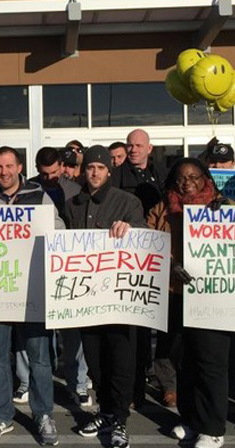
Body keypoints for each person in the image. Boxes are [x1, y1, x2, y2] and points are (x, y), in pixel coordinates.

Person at [0, 147, 63, 445]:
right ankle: (1, 414)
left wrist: (50, 230)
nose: (3, 172)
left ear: (19, 166)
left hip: (32, 290)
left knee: (39, 358)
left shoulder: (39, 195)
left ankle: (43, 414)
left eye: (9, 165)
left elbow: (59, 229)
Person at [148, 158, 233, 448]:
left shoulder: (224, 206)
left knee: (211, 363)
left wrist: (227, 214)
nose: (187, 183)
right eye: (181, 178)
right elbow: (149, 242)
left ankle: (213, 427)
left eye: (194, 177)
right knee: (183, 361)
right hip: (175, 295)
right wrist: (169, 265)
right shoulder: (161, 209)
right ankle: (191, 419)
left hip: (212, 297)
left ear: (206, 180)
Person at [66, 146, 145, 448]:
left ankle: (121, 421)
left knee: (121, 361)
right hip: (87, 298)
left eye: (100, 168)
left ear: (109, 170)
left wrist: (132, 229)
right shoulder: (73, 203)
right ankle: (106, 411)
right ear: (83, 171)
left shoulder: (127, 201)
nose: (95, 173)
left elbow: (145, 237)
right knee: (95, 362)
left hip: (120, 298)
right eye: (90, 168)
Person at [29, 148, 90, 406]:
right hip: (36, 264)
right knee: (37, 329)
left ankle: (80, 382)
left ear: (62, 167)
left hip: (69, 264)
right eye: (44, 174)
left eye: (54, 172)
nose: (50, 177)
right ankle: (28, 381)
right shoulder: (30, 189)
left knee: (73, 330)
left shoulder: (75, 190)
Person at [112, 128, 166, 404]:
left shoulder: (161, 173)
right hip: (126, 257)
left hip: (155, 254)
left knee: (153, 320)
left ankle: (152, 372)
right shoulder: (117, 176)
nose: (133, 149)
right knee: (133, 323)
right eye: (129, 145)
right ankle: (133, 384)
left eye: (138, 145)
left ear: (149, 148)